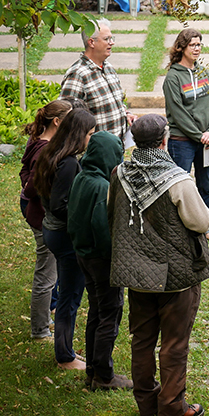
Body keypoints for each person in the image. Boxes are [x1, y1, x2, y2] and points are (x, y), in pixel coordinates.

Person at [108, 114, 209, 416]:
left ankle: (145, 403)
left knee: (141, 341)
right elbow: (201, 222)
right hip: (175, 275)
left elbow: (111, 213)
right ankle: (171, 405)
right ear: (165, 141)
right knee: (174, 343)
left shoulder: (119, 173)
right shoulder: (178, 179)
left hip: (136, 272)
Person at [33, 107, 97, 370]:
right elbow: (61, 204)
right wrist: (82, 217)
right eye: (90, 134)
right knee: (69, 298)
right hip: (63, 234)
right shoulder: (69, 162)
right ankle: (65, 356)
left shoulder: (51, 151)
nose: (91, 139)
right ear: (78, 134)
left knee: (66, 294)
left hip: (51, 229)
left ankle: (66, 350)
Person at [67, 130, 131, 390]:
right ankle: (105, 375)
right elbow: (101, 227)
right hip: (100, 258)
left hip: (82, 254)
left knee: (96, 309)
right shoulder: (102, 186)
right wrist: (114, 256)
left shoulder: (81, 177)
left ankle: (92, 370)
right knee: (110, 313)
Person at [20, 98, 73, 340]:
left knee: (49, 272)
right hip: (43, 218)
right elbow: (31, 186)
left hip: (37, 213)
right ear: (57, 121)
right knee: (46, 276)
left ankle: (45, 320)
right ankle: (40, 329)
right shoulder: (45, 150)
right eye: (69, 120)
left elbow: (23, 170)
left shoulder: (38, 141)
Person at [163, 28, 209, 243]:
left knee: (205, 186)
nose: (197, 48)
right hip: (183, 143)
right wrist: (200, 135)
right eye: (193, 45)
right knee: (180, 188)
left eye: (199, 44)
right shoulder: (172, 78)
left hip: (206, 141)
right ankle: (179, 232)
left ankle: (206, 227)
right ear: (182, 47)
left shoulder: (204, 73)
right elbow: (178, 114)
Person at [60, 17, 134, 141]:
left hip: (116, 149)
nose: (112, 43)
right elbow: (66, 116)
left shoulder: (108, 68)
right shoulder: (78, 74)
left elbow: (116, 103)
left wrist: (126, 114)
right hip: (95, 153)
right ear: (91, 42)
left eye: (112, 38)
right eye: (106, 39)